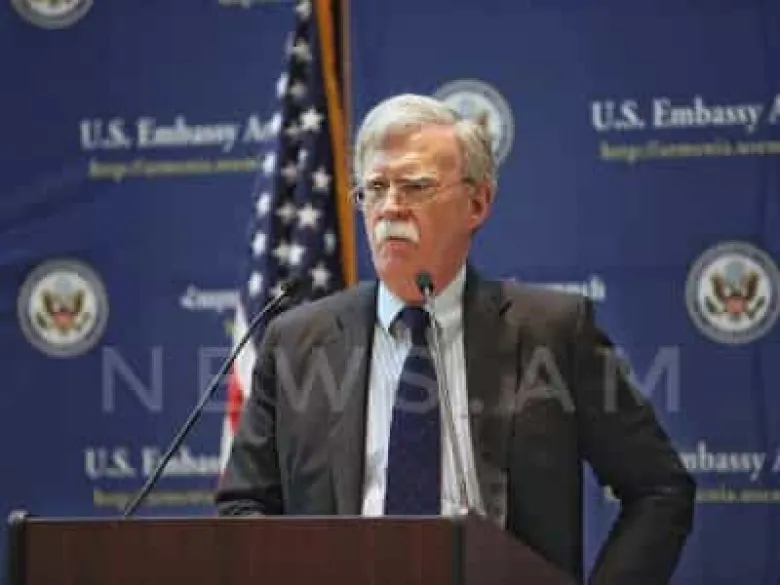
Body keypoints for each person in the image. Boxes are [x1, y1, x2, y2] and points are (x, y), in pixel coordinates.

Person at [215, 93, 696, 583]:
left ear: (477, 202)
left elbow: (659, 488)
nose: (390, 207)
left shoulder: (553, 332)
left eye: (416, 186)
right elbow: (243, 507)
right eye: (376, 188)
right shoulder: (296, 342)